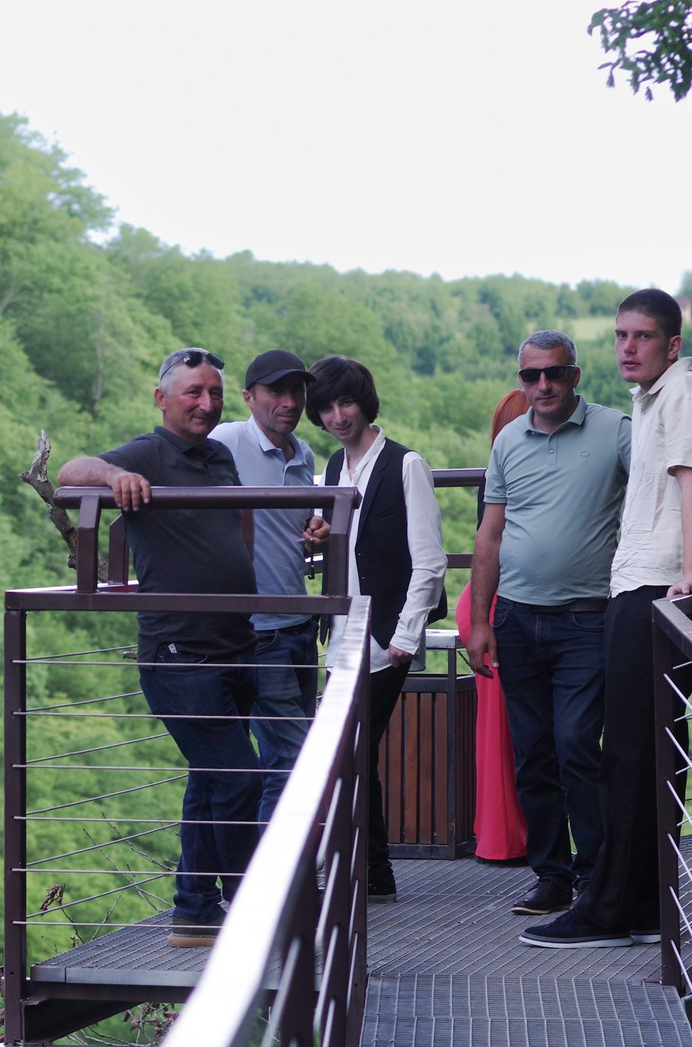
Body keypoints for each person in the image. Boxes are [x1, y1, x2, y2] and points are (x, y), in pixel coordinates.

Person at [522, 291, 692, 950]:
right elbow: (687, 492)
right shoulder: (657, 398)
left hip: (658, 594)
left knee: (630, 758)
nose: (628, 347)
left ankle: (608, 910)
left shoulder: (683, 396)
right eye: (621, 335)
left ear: (672, 344)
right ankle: (644, 906)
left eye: (644, 336)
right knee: (646, 756)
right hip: (656, 585)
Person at [56, 348, 257, 948]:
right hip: (179, 655)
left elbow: (236, 526)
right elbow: (71, 469)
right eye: (194, 391)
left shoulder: (219, 455)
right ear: (162, 398)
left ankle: (195, 910)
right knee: (241, 779)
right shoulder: (149, 451)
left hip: (234, 644)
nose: (206, 403)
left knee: (209, 780)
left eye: (215, 393)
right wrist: (114, 477)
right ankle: (256, 906)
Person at [462, 333, 630, 918]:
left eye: (553, 374)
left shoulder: (616, 430)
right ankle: (552, 876)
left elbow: (667, 497)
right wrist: (481, 622)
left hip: (587, 619)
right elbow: (489, 533)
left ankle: (596, 876)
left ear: (575, 375)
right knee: (533, 753)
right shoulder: (510, 439)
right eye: (531, 377)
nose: (542, 387)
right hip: (515, 617)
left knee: (578, 745)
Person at [301, 356, 443, 905]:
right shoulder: (334, 469)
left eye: (346, 402)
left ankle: (365, 869)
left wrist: (407, 634)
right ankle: (373, 872)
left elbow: (428, 559)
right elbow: (343, 546)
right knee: (352, 751)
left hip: (385, 640)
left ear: (365, 401)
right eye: (327, 407)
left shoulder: (406, 465)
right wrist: (316, 536)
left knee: (349, 750)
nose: (337, 415)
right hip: (340, 634)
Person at [210, 349, 319, 825]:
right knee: (296, 761)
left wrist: (316, 529)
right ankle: (271, 881)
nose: (289, 401)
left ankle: (258, 876)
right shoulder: (227, 440)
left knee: (284, 760)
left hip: (300, 625)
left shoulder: (305, 455)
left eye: (296, 391)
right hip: (258, 633)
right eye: (276, 391)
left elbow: (289, 534)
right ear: (248, 397)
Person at [470, 387, 536, 868]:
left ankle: (499, 834)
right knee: (513, 732)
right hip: (501, 606)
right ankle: (509, 838)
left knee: (498, 733)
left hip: (482, 605)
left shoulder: (496, 477)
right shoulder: (518, 476)